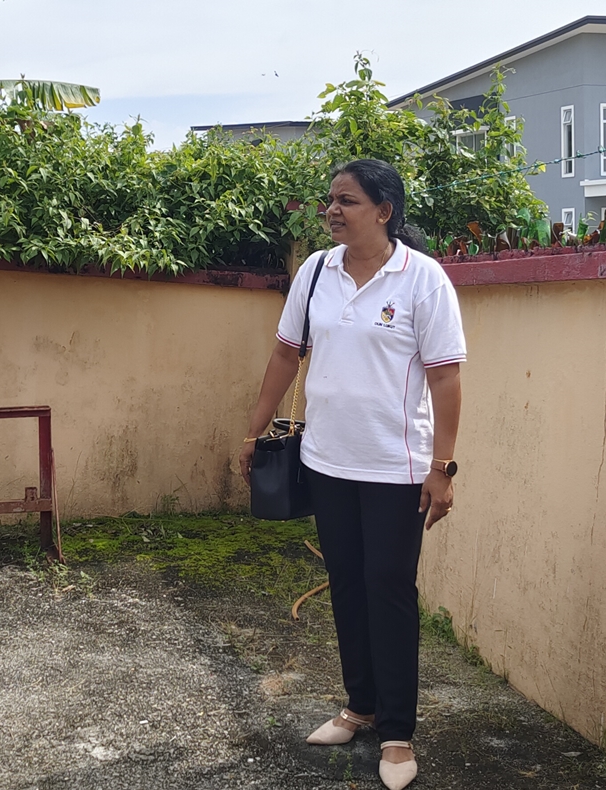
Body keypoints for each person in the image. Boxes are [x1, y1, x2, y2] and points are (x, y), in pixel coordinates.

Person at [238, 160, 465, 790]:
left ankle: (396, 734)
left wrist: (442, 469)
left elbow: (445, 378)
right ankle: (359, 706)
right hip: (327, 463)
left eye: (348, 200)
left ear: (384, 210)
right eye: (330, 201)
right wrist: (254, 429)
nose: (333, 210)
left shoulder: (422, 280)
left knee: (388, 591)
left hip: (398, 469)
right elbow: (287, 354)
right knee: (345, 586)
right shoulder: (315, 272)